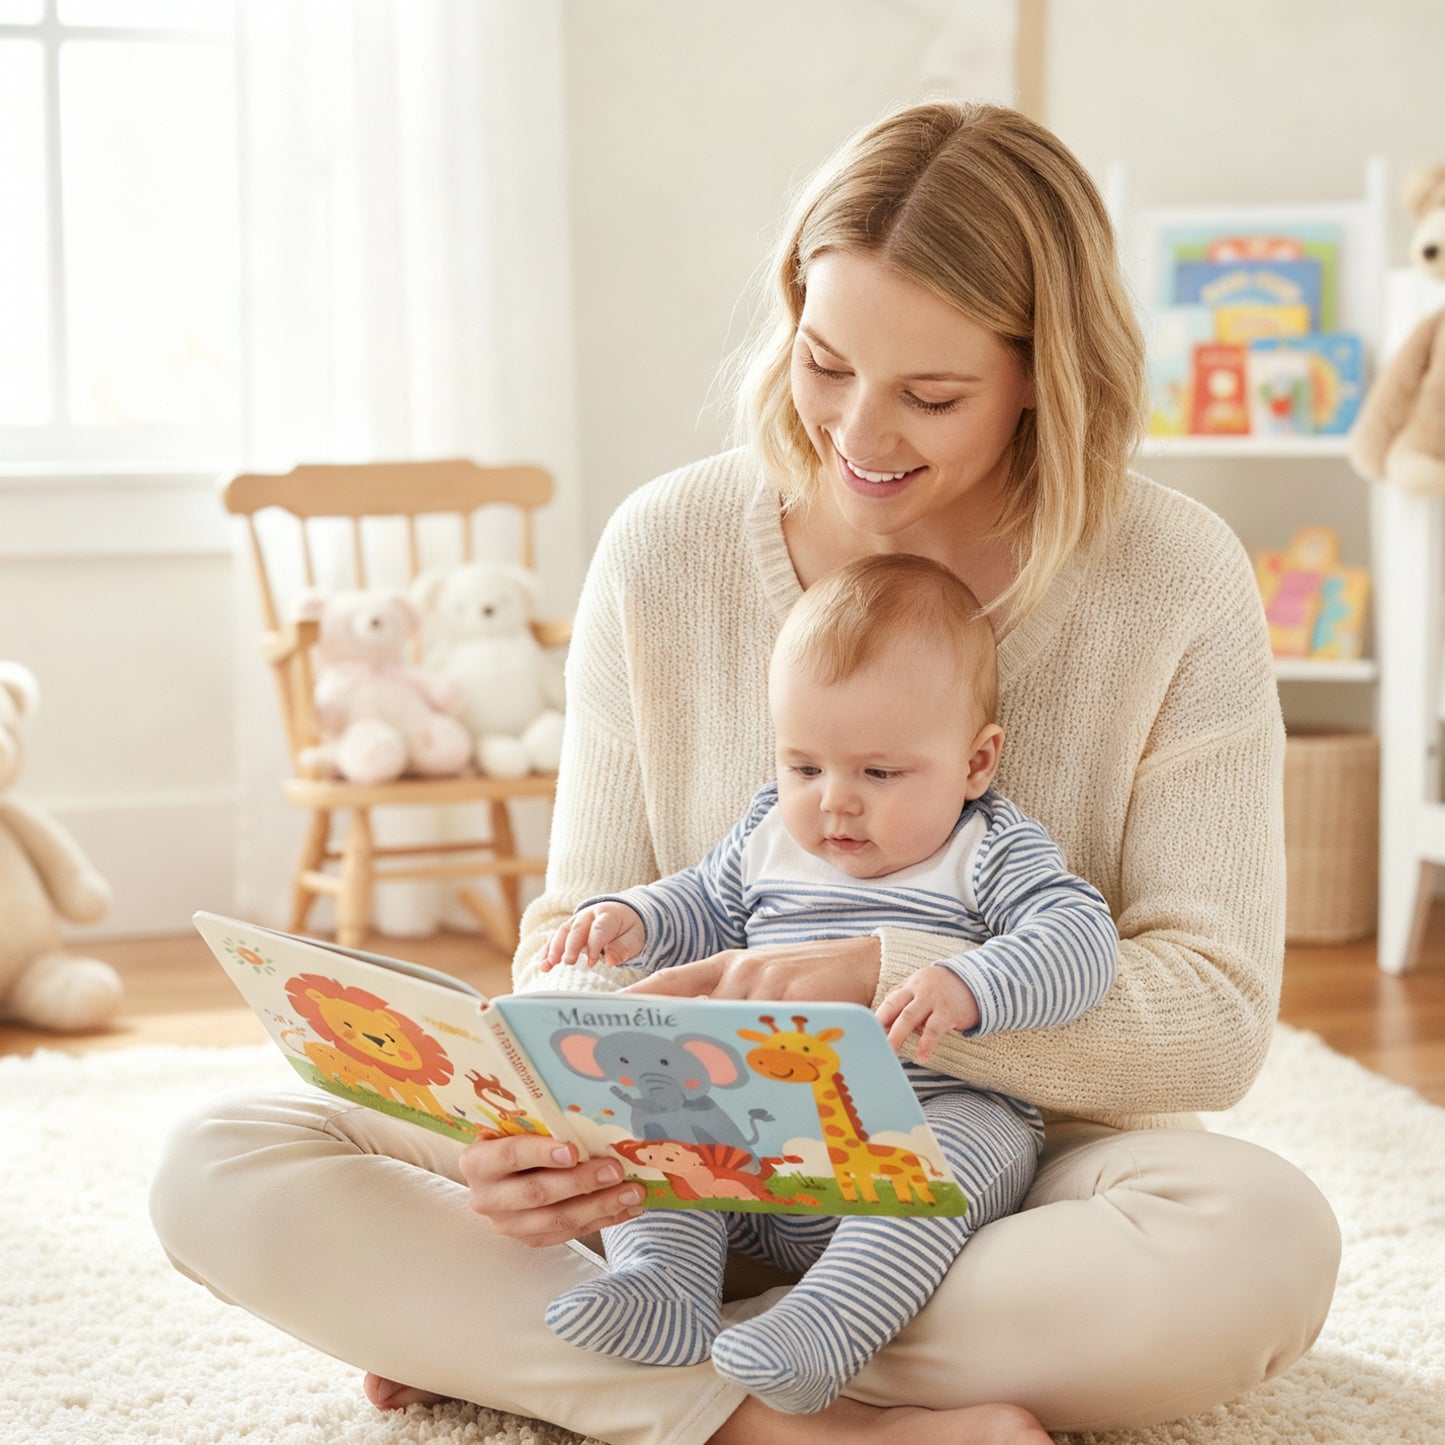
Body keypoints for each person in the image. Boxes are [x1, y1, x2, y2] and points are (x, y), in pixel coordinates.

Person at [150, 99, 1340, 1445]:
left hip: (1001, 1164)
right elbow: (584, 925)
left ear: (1042, 375)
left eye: (931, 393)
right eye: (826, 363)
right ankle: (766, 1418)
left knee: (1258, 1240)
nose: (861, 433)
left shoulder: (1171, 578)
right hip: (681, 1147)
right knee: (224, 1158)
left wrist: (882, 987)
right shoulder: (667, 545)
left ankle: (562, 1351)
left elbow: (1216, 1013)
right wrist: (557, 1124)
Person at [537, 552, 1119, 1418]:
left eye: (878, 774)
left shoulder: (987, 848)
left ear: (975, 761)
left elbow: (1080, 939)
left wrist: (964, 981)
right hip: (760, 1130)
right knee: (650, 1112)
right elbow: (705, 898)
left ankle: (827, 1326)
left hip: (924, 1114)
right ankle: (664, 1282)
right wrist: (639, 916)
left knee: (964, 1148)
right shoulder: (769, 831)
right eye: (804, 767)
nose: (833, 804)